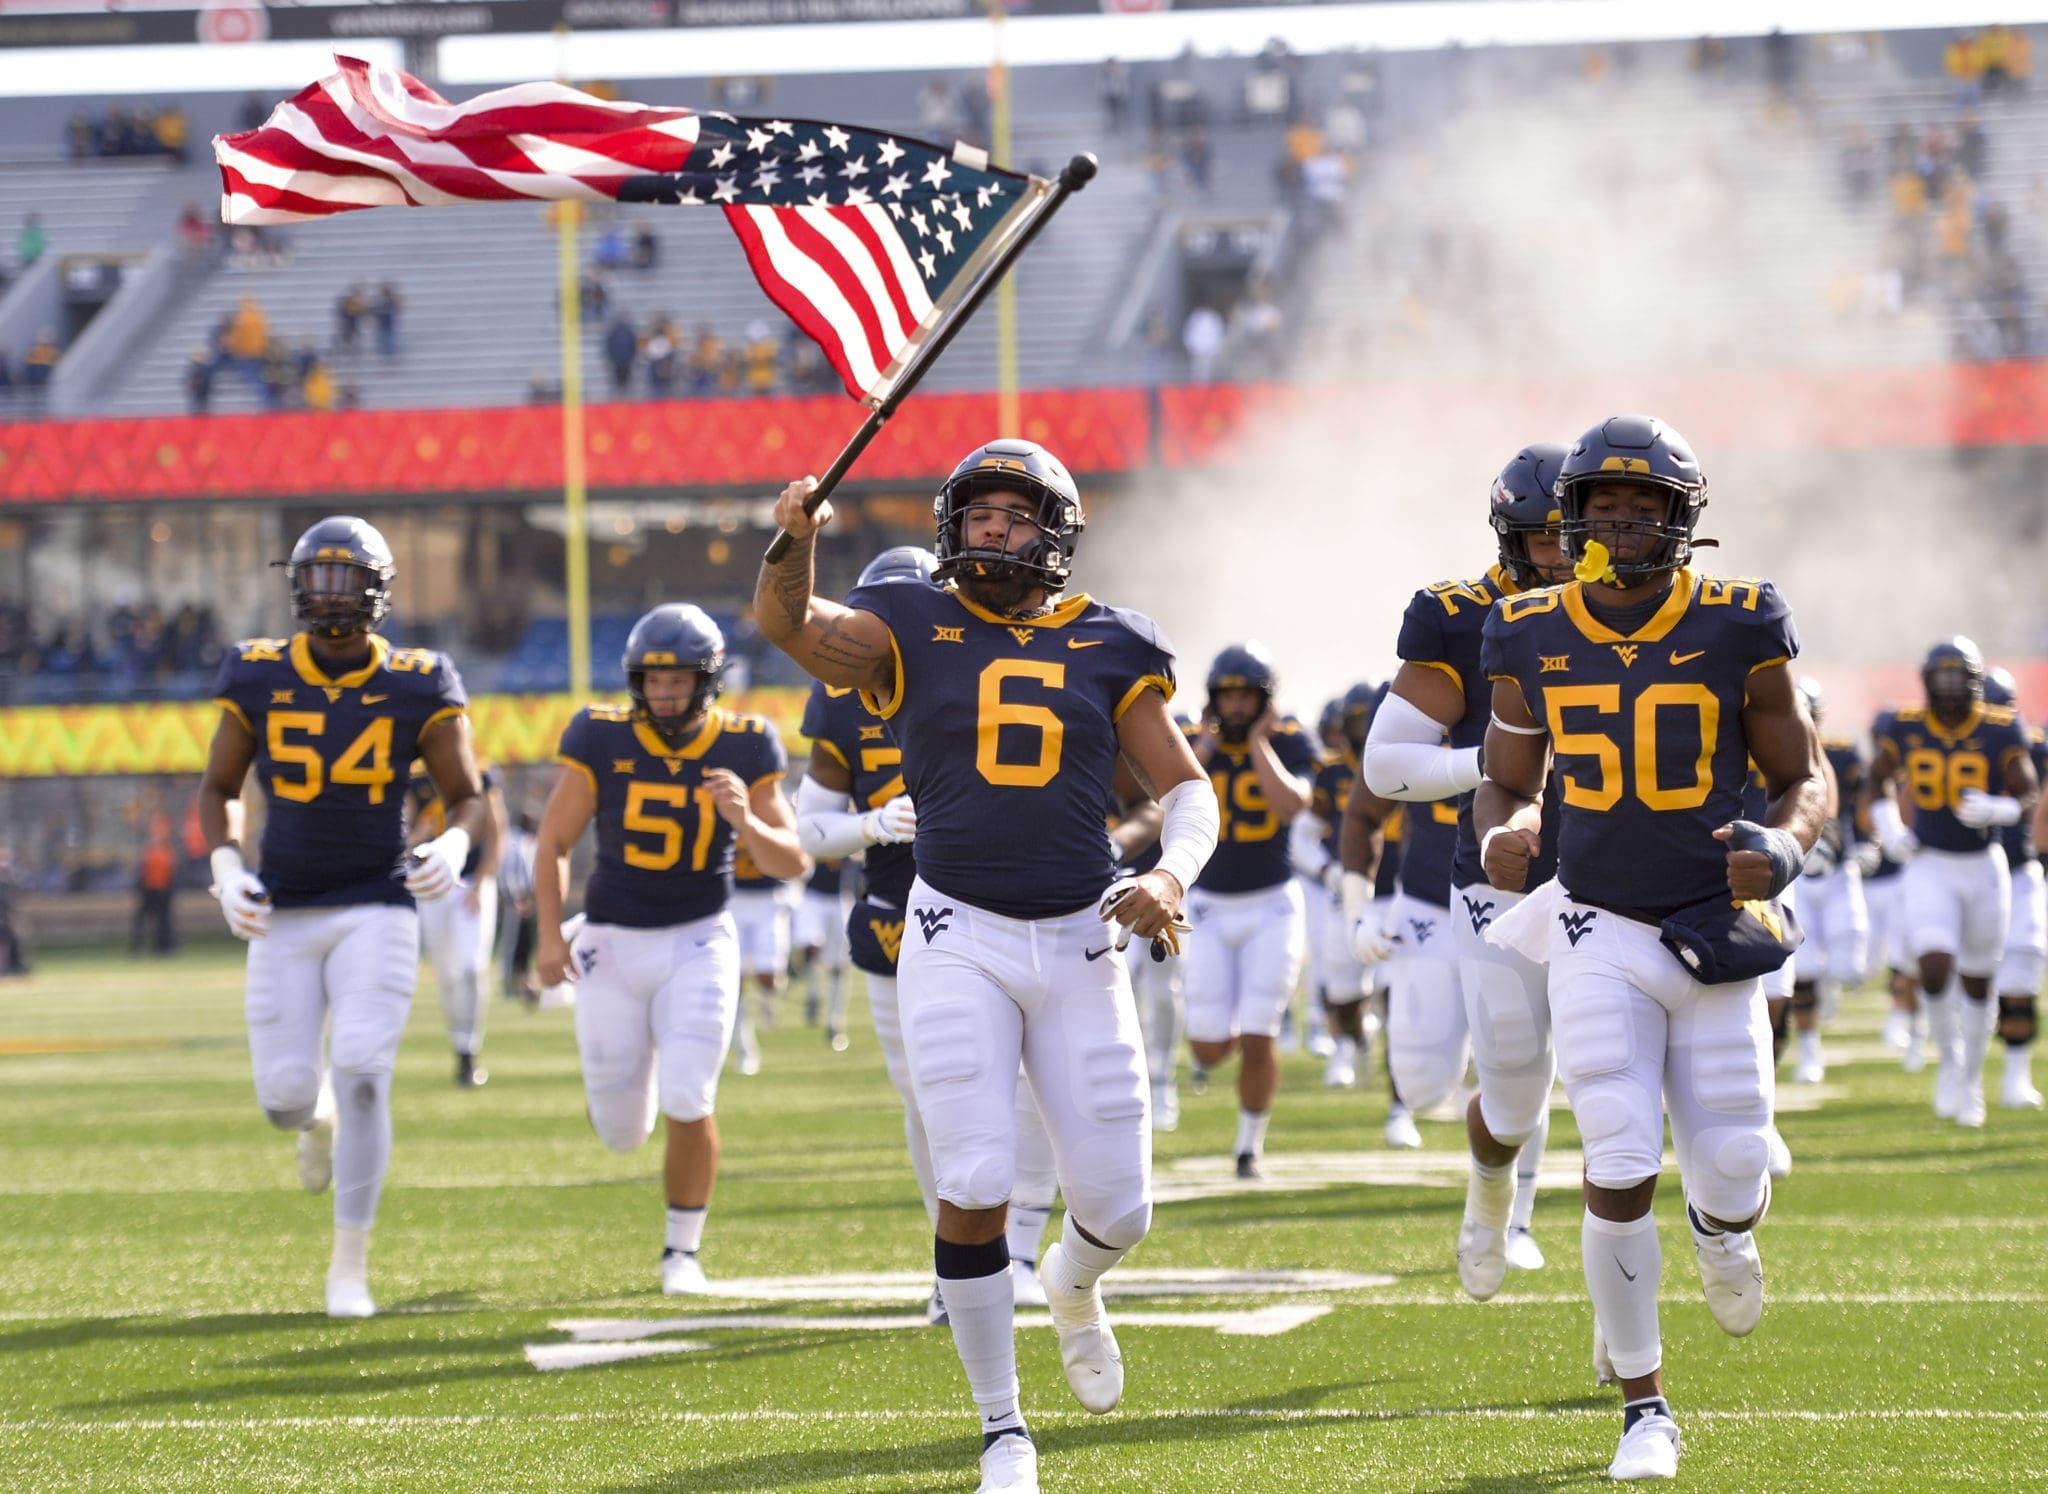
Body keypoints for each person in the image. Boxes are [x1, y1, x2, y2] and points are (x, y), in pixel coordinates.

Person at [757, 439, 1218, 1494]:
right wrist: (795, 542)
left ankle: (1072, 1286)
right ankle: (1002, 1428)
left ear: (1053, 534)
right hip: (956, 929)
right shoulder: (908, 620)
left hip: (1081, 934)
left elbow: (1187, 787)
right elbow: (790, 626)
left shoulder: (1114, 639)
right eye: (978, 514)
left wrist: (1172, 874)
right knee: (971, 1178)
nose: (992, 531)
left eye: (1013, 516)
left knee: (1121, 1211)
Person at [1474, 415, 1826, 1481]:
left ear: (1682, 519)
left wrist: (1785, 845)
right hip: (1595, 923)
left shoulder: (1740, 619)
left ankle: (1722, 1231)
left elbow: (1803, 776)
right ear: (1570, 518)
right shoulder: (1525, 629)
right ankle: (1643, 1408)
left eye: (1644, 508)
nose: (1622, 526)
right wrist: (1505, 828)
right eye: (1604, 507)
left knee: (1732, 1168)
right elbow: (1506, 774)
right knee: (1618, 1158)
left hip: (1710, 925)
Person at [198, 517, 483, 1318]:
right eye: (318, 579)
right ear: (296, 588)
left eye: (346, 579)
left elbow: (468, 795)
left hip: (377, 902)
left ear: (378, 590)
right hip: (283, 907)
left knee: (362, 1071)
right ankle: (312, 1124)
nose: (330, 596)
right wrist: (226, 865)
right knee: (287, 1099)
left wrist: (456, 843)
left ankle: (349, 1266)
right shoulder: (256, 672)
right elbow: (218, 787)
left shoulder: (421, 679)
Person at [794, 544, 1059, 1314]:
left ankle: (1021, 1250)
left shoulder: (996, 666)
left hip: (1006, 906)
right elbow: (809, 831)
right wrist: (873, 823)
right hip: (898, 919)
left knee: (1030, 1095)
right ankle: (960, 1263)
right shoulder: (842, 702)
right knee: (929, 1101)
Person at [534, 604, 807, 1292]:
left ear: (706, 680)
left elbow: (792, 860)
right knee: (621, 1131)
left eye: (676, 680)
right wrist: (548, 933)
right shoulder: (598, 734)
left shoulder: (746, 743)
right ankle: (641, 1065)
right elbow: (555, 841)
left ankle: (681, 1252)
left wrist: (744, 820)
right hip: (611, 943)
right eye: (651, 680)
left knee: (690, 1096)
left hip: (698, 938)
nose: (661, 693)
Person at [1360, 442, 1577, 1300]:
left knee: (1610, 1075)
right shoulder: (1456, 614)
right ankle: (1491, 1200)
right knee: (1515, 1079)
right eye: (1547, 537)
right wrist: (1492, 767)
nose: (1567, 555)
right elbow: (1386, 766)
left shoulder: (1647, 609)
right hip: (1501, 872)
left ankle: (1593, 1282)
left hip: (1622, 872)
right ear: (1510, 537)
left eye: (1579, 533)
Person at [1864, 639, 2038, 1125]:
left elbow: (2027, 793)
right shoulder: (1906, 725)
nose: (1949, 687)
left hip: (1983, 865)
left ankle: (1972, 1079)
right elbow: (1877, 780)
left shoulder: (2001, 727)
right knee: (1935, 964)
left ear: (1975, 680)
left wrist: (2001, 808)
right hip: (1930, 863)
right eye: (1941, 677)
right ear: (1926, 681)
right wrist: (1890, 826)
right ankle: (1950, 1061)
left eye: (1958, 677)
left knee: (1980, 982)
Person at [1182, 644, 1318, 1179]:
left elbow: (1291, 806)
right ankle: (1235, 1027)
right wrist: (1208, 744)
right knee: (1208, 1048)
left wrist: (1259, 743)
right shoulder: (1194, 742)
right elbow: (1164, 794)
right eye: (1228, 695)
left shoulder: (1289, 739)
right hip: (1208, 907)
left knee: (1262, 1032)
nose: (1236, 706)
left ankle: (1248, 1147)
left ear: (1265, 700)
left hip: (1271, 906)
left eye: (1246, 696)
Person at [1291, 684, 1378, 1089]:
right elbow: (1301, 836)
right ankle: (1348, 1042)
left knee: (1398, 986)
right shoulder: (1333, 773)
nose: (1367, 729)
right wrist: (1328, 871)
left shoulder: (1410, 761)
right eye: (1360, 721)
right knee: (1341, 986)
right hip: (1348, 890)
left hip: (1399, 888)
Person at [407, 758, 509, 1085]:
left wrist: (482, 881)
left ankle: (469, 1048)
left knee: (471, 967)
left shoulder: (480, 775)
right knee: (447, 973)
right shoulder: (415, 778)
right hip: (435, 885)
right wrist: (419, 836)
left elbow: (497, 832)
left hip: (471, 883)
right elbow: (404, 841)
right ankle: (459, 1043)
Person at [1986, 668, 2046, 1109]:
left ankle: (2016, 1075)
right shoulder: (1945, 740)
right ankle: (1962, 1074)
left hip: (2022, 868)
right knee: (1966, 973)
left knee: (2023, 963)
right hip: (1967, 869)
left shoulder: (2033, 744)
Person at [132, 823, 178, 956]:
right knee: (142, 920)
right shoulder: (149, 852)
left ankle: (164, 947)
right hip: (149, 890)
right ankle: (138, 947)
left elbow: (171, 873)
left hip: (163, 891)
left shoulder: (167, 852)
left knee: (164, 921)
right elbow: (142, 872)